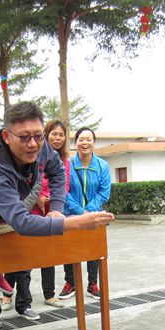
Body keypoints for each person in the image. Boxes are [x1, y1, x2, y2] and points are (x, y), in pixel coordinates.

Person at [0, 102, 114, 330]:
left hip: (8, 204)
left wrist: (57, 208)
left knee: (13, 247)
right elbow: (22, 223)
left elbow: (58, 173)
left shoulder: (40, 146)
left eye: (38, 136)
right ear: (7, 137)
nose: (33, 144)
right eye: (24, 138)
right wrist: (76, 222)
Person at [1, 119, 71, 311]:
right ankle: (8, 295)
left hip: (50, 213)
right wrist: (38, 197)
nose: (57, 138)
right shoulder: (28, 154)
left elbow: (63, 184)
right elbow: (26, 182)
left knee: (47, 257)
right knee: (21, 257)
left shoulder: (64, 161)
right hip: (27, 211)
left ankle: (47, 295)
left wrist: (53, 203)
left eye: (61, 134)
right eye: (54, 134)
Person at [58, 127, 112, 300]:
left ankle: (92, 284)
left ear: (94, 143)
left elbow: (104, 192)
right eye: (81, 139)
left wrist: (89, 210)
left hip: (93, 216)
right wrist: (80, 211)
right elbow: (63, 191)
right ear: (76, 143)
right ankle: (71, 283)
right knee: (69, 250)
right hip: (71, 215)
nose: (85, 143)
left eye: (88, 139)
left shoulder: (102, 166)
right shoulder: (67, 164)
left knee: (93, 250)